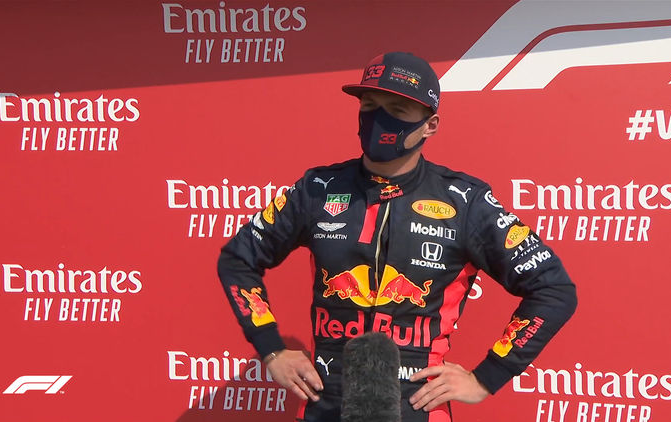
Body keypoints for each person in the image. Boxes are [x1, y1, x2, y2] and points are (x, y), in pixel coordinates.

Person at [217, 51, 577, 422]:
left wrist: (487, 377)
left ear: (430, 125)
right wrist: (271, 349)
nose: (378, 118)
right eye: (369, 105)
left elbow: (553, 289)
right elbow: (238, 259)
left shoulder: (465, 201)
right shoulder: (318, 189)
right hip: (326, 406)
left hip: (418, 408)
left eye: (397, 109)